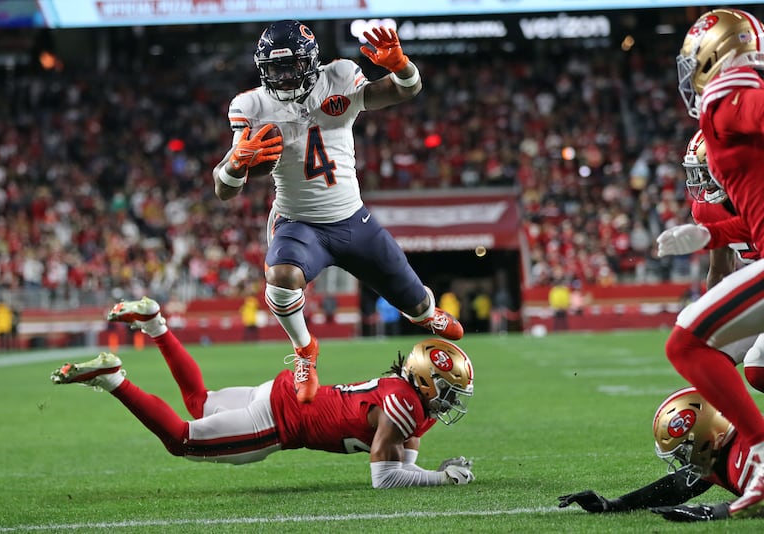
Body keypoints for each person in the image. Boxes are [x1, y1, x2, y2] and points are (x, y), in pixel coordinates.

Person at [211, 20, 463, 403]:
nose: (283, 75)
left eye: (291, 65)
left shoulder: (340, 77)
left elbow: (406, 90)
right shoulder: (252, 105)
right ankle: (305, 351)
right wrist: (234, 165)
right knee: (280, 278)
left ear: (312, 61)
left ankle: (425, 312)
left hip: (352, 220)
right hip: (299, 223)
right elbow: (223, 190)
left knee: (413, 302)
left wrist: (401, 65)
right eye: (275, 68)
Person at [52, 297, 475, 489]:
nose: (452, 399)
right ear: (423, 380)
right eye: (449, 389)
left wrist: (429, 473)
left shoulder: (412, 402)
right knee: (182, 439)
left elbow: (404, 459)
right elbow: (384, 478)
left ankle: (155, 323)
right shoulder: (404, 404)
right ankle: (114, 380)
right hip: (279, 421)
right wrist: (442, 479)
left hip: (283, 391)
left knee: (199, 402)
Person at [653, 7, 764, 517]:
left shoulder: (731, 99)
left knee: (689, 344)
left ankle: (760, 452)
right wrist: (707, 234)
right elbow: (752, 224)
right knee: (756, 367)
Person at [558, 386, 763, 522]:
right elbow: (677, 486)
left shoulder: (748, 453)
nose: (683, 459)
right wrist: (614, 505)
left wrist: (712, 512)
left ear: (706, 438)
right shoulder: (723, 452)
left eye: (684, 449)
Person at [680, 129, 764, 392]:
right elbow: (720, 268)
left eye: (707, 171)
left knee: (758, 366)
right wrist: (712, 317)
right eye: (699, 173)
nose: (703, 183)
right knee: (703, 355)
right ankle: (721, 428)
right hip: (756, 290)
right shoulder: (707, 207)